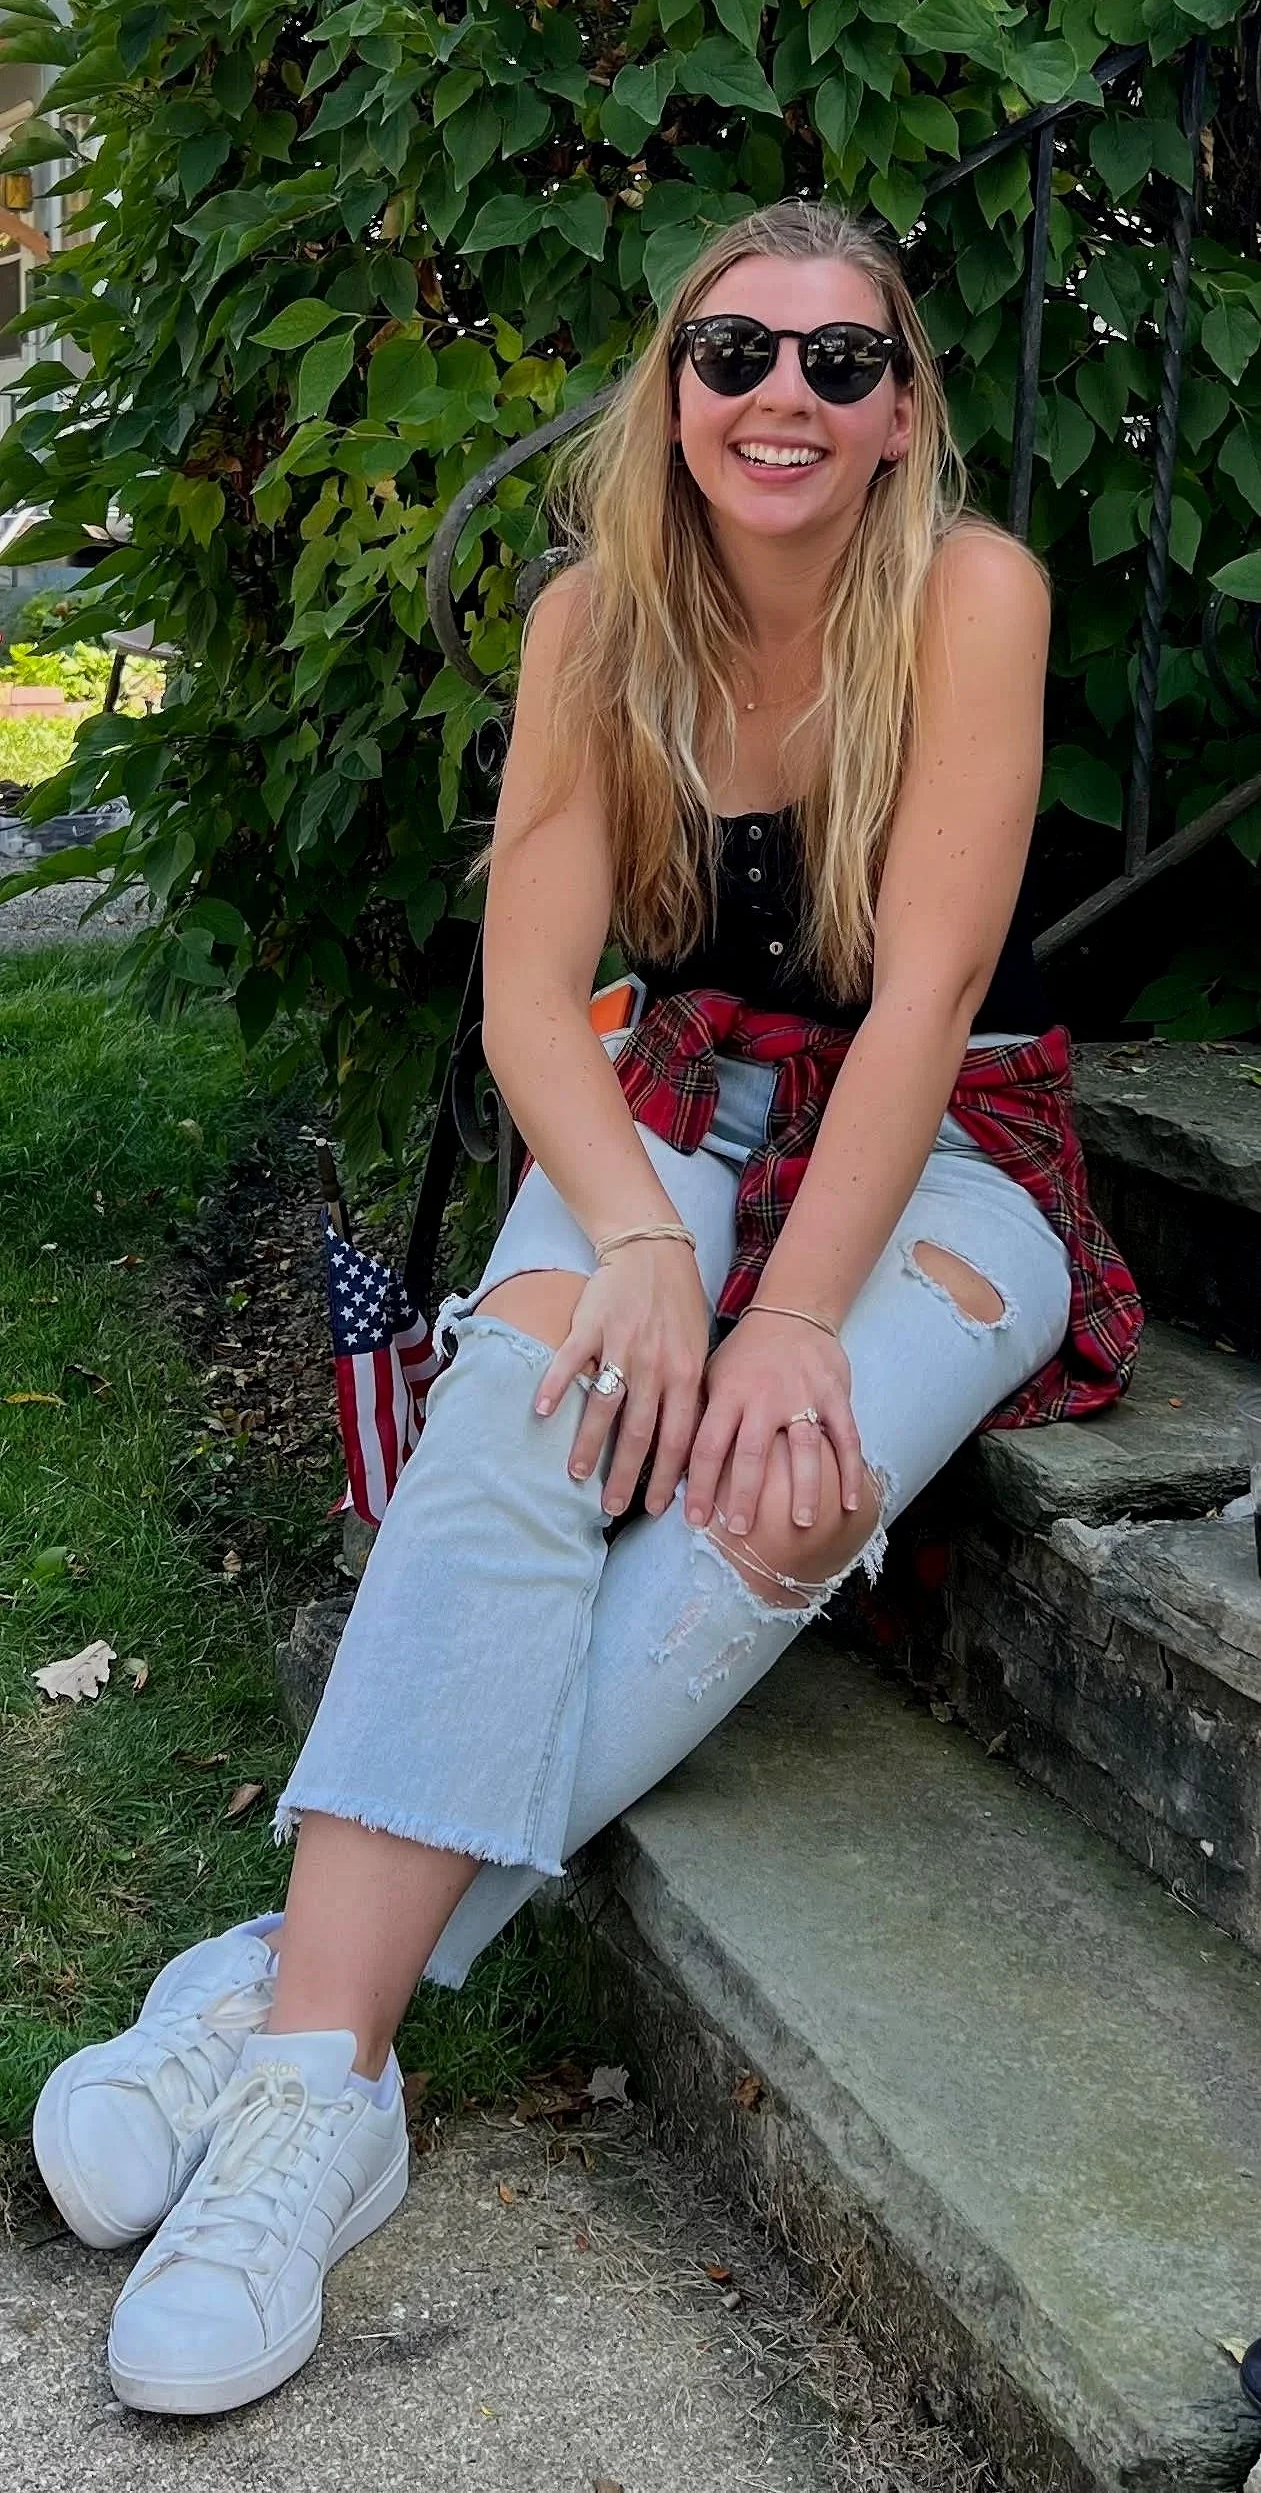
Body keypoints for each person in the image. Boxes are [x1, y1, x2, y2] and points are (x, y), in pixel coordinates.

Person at [30, 196, 1142, 2417]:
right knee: (527, 1397)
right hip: (677, 1111)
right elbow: (534, 993)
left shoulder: (975, 595)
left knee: (776, 1480)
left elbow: (927, 993)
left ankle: (282, 1999)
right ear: (676, 388)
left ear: (902, 412)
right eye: (738, 352)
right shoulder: (593, 620)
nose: (785, 396)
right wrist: (640, 1247)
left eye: (842, 361)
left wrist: (787, 1318)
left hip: (944, 1147)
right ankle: (329, 2100)